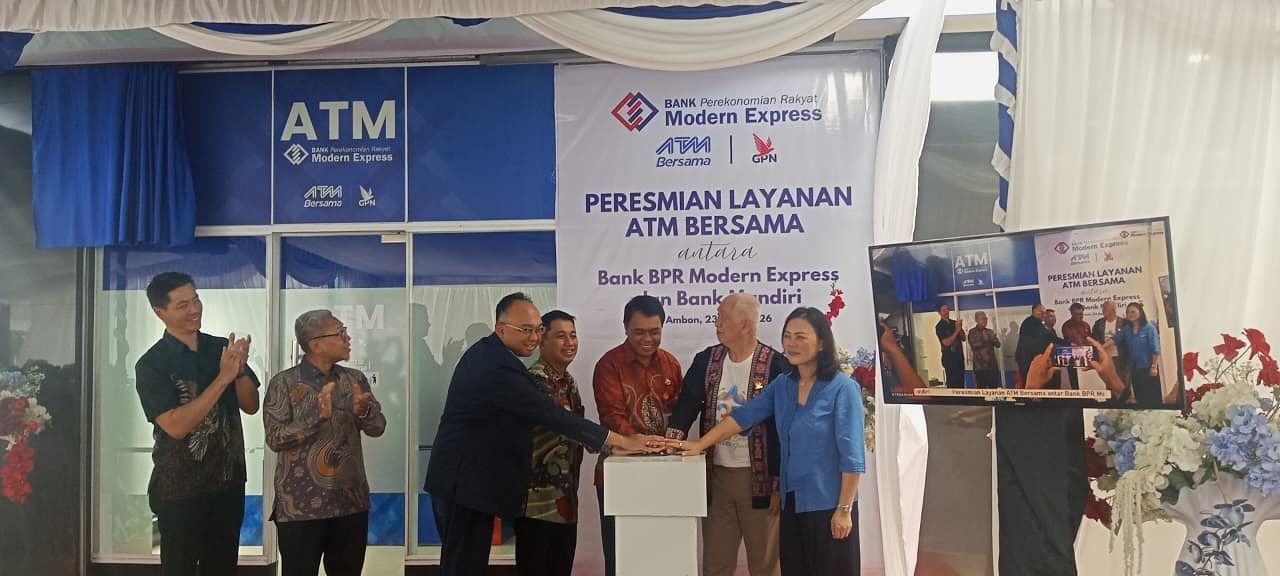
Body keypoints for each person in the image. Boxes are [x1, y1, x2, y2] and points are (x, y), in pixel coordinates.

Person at [424, 293, 663, 576]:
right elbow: (552, 416)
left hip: (476, 484)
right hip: (464, 483)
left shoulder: (500, 359)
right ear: (501, 329)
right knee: (463, 566)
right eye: (526, 330)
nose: (534, 337)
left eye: (537, 329)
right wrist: (618, 440)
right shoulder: (499, 367)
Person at [676, 307, 865, 576]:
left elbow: (852, 456)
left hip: (829, 505)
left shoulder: (842, 387)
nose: (791, 343)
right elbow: (742, 417)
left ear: (822, 342)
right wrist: (700, 444)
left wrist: (844, 509)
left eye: (800, 337)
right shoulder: (783, 385)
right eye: (787, 336)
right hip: (792, 503)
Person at [133, 272, 261, 576]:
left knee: (223, 567)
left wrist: (240, 371)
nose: (194, 309)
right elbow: (176, 426)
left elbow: (251, 405)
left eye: (196, 300)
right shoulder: (152, 364)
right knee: (180, 567)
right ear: (160, 312)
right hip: (179, 488)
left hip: (228, 482)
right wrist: (223, 378)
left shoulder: (221, 348)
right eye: (182, 305)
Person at [666, 294, 789, 576]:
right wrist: (671, 444)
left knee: (766, 565)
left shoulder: (776, 365)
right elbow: (685, 408)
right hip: (717, 477)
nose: (717, 323)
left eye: (723, 317)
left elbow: (783, 429)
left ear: (746, 325)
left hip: (761, 482)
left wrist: (779, 482)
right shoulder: (706, 360)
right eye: (717, 316)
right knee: (715, 563)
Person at [264, 310, 386, 576]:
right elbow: (275, 438)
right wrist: (316, 417)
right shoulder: (284, 383)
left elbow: (378, 428)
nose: (347, 338)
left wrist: (364, 410)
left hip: (350, 505)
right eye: (340, 332)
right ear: (316, 344)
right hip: (301, 508)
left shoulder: (354, 379)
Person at [592, 294, 684, 576]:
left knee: (662, 555)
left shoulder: (671, 364)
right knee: (621, 556)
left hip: (665, 475)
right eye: (639, 332)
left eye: (654, 331)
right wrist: (650, 446)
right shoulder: (609, 365)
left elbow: (679, 416)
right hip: (619, 475)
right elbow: (613, 419)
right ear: (625, 328)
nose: (647, 339)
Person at [517, 310, 588, 576]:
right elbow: (571, 427)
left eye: (573, 336)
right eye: (561, 336)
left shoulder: (569, 382)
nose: (570, 343)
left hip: (566, 501)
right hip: (537, 505)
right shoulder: (534, 381)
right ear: (542, 339)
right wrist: (616, 442)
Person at [1109, 302, 1163, 407]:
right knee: (1140, 396)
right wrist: (1100, 347)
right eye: (1128, 312)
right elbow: (1115, 339)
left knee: (1152, 397)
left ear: (1140, 312)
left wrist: (1154, 366)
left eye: (1133, 311)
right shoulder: (1127, 329)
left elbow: (1155, 349)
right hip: (1134, 369)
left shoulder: (1149, 328)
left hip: (1148, 368)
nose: (1130, 314)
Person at [1091, 300, 1131, 394]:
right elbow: (1095, 338)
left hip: (1121, 358)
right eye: (1103, 308)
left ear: (1113, 309)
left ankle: (1124, 400)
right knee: (1109, 382)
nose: (1102, 310)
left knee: (1122, 381)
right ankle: (1111, 400)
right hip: (1106, 358)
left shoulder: (1124, 323)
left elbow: (1127, 339)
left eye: (1105, 308)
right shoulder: (1098, 323)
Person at [1015, 304, 1055, 388]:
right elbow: (1049, 338)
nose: (1044, 314)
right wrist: (1069, 343)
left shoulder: (1041, 325)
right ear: (1034, 311)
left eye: (1044, 312)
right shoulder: (1031, 322)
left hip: (1032, 359)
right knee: (1029, 383)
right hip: (1027, 359)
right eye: (1041, 312)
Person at [967, 312, 1001, 389]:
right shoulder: (972, 332)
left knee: (994, 390)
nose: (985, 321)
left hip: (992, 367)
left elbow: (998, 345)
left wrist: (993, 338)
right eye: (982, 319)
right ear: (976, 320)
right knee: (981, 390)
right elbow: (973, 346)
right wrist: (985, 340)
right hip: (980, 368)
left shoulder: (989, 331)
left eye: (986, 319)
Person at [934, 303, 965, 388]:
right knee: (953, 384)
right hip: (949, 360)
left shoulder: (954, 323)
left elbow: (963, 338)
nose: (947, 311)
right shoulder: (939, 326)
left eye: (947, 309)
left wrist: (960, 328)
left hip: (959, 358)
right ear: (939, 313)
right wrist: (957, 330)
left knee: (961, 384)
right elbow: (946, 342)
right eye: (944, 310)